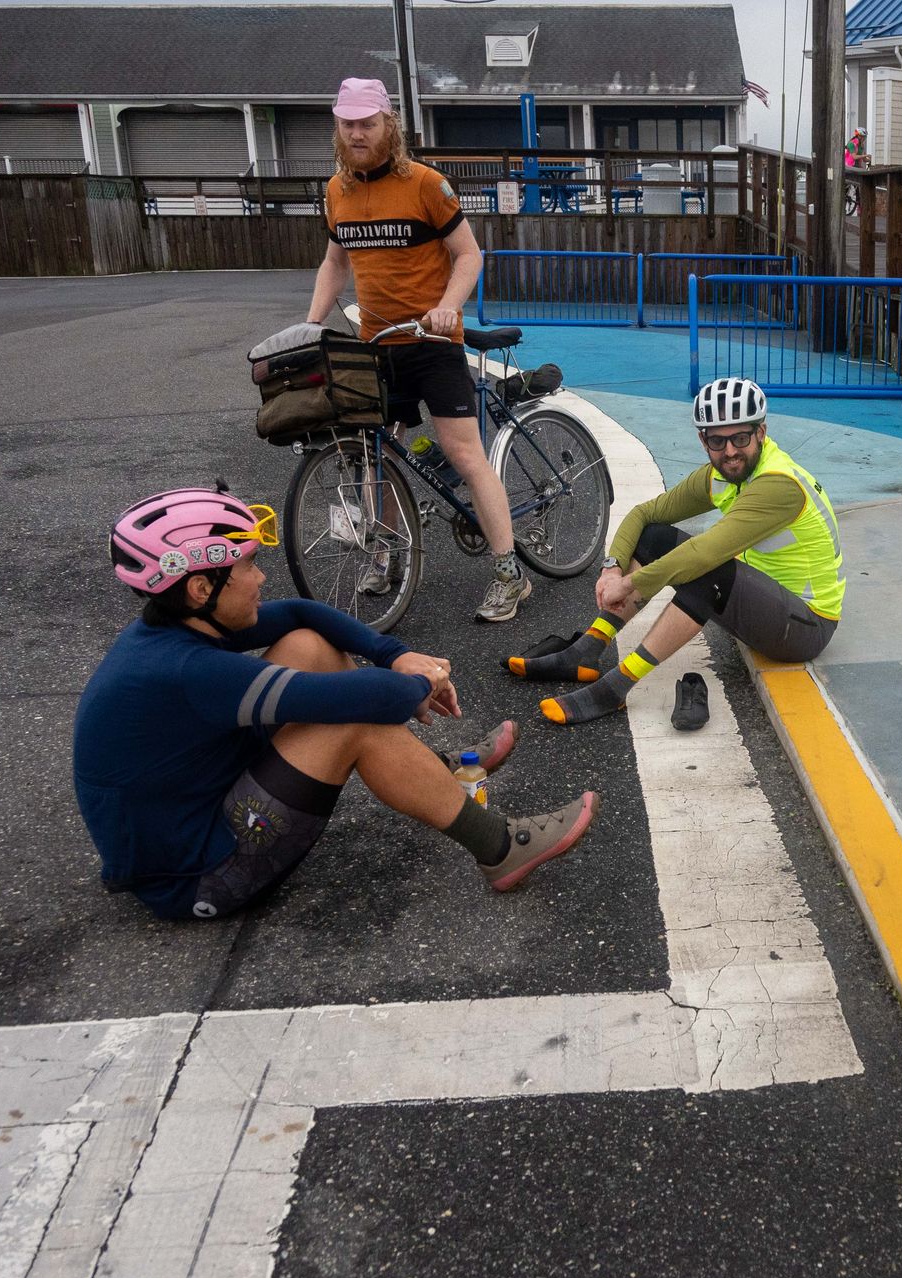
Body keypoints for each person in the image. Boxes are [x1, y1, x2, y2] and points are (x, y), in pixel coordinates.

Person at [74, 487, 597, 921]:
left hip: (196, 807)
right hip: (197, 878)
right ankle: (501, 846)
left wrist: (395, 655)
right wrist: (426, 676)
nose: (261, 579)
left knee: (309, 646)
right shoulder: (188, 670)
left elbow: (304, 612)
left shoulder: (171, 631)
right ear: (200, 588)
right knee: (357, 723)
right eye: (249, 566)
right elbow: (386, 701)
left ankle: (439, 772)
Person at [305, 76, 531, 624]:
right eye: (348, 123)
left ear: (389, 125)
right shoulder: (338, 191)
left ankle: (510, 573)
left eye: (367, 122)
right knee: (370, 453)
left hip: (432, 343)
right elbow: (336, 263)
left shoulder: (427, 184)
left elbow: (469, 255)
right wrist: (309, 326)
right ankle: (382, 553)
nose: (357, 133)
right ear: (338, 127)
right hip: (374, 345)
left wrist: (449, 305)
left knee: (464, 454)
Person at [508, 378, 844, 725]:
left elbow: (702, 554)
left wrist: (627, 584)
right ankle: (587, 649)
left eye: (740, 437)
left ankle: (615, 688)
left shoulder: (777, 484)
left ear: (761, 432)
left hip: (805, 627)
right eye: (717, 440)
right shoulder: (721, 475)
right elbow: (643, 514)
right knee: (654, 536)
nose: (729, 451)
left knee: (706, 568)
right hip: (766, 604)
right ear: (703, 440)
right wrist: (611, 567)